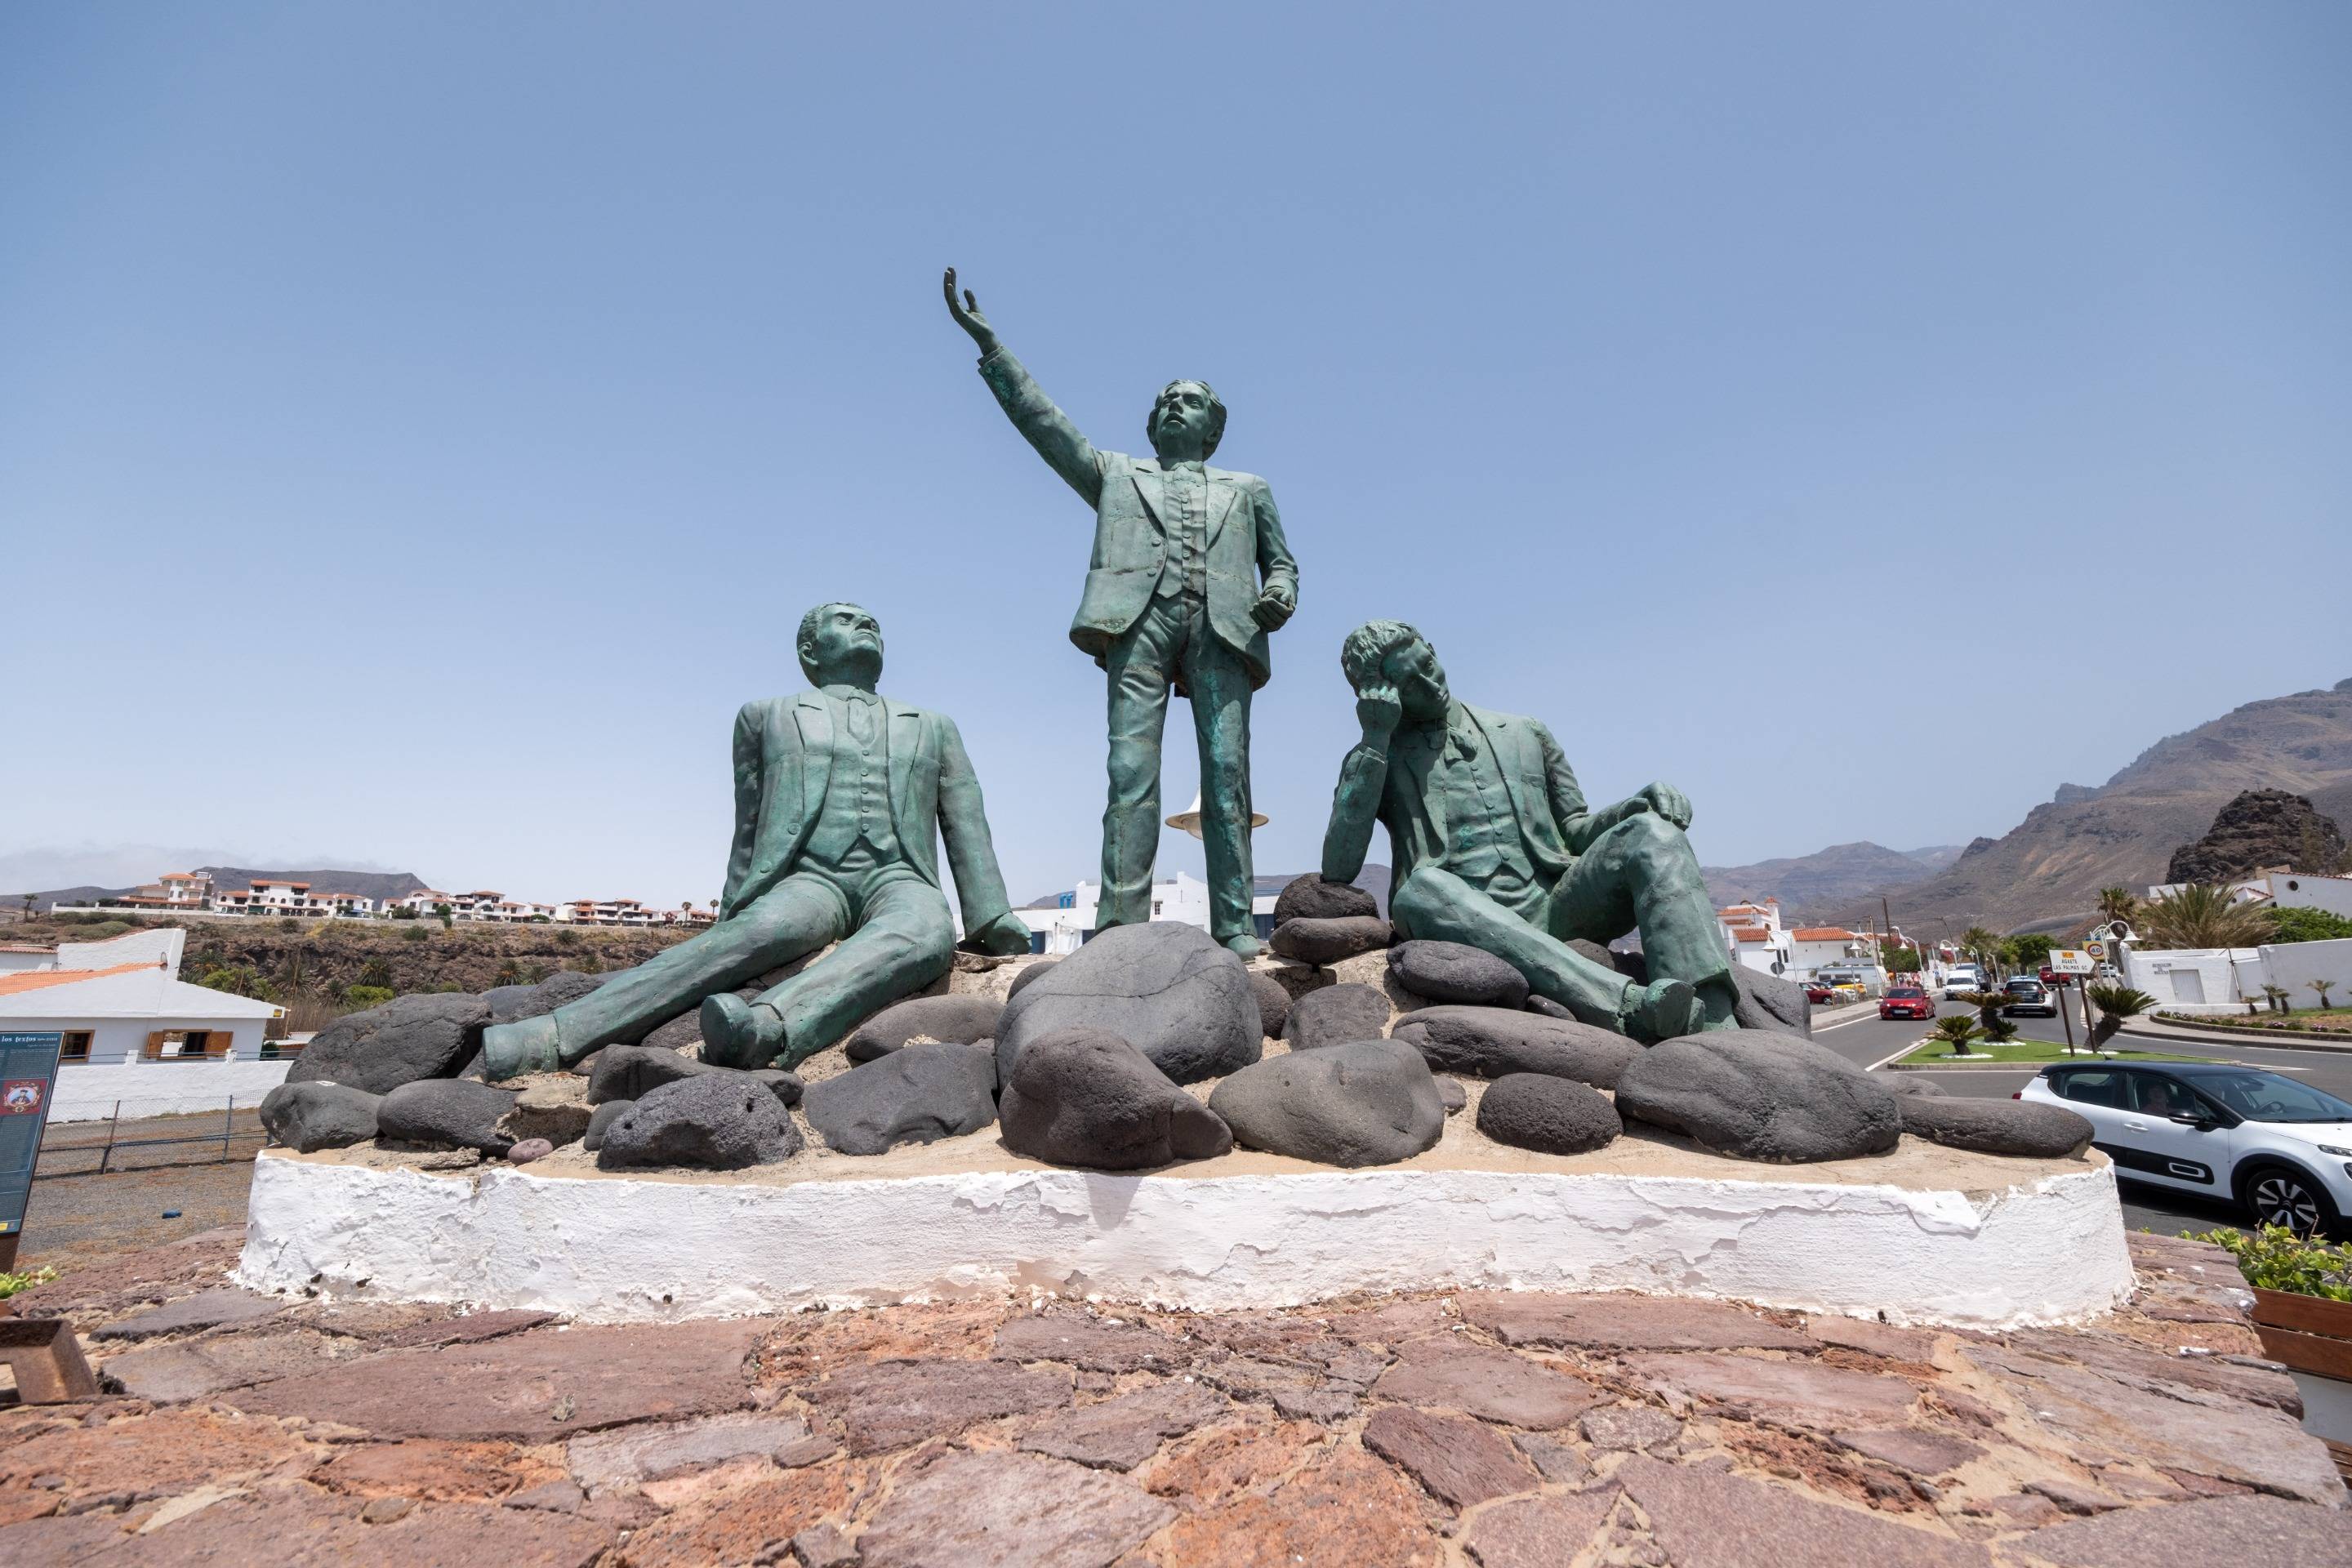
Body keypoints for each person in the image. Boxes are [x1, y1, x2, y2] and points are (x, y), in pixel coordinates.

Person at [481, 603, 1032, 1079]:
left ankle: (766, 1029)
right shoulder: (766, 716)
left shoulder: (933, 725)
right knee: (760, 930)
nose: (865, 624)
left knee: (925, 931)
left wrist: (990, 916)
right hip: (811, 878)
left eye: (872, 622)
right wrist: (736, 908)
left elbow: (965, 817)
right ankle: (551, 1035)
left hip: (899, 876)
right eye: (845, 620)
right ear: (810, 651)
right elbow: (747, 826)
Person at [945, 268, 1298, 956]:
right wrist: (993, 350)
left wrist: (1280, 593)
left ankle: (1233, 924)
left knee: (1227, 777)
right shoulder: (1116, 475)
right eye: (1165, 400)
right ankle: (1119, 922)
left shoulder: (1249, 489)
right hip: (1137, 625)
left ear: (1214, 428)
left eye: (1190, 401)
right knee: (1130, 773)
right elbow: (1047, 428)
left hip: (1226, 631)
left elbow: (1282, 562)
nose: (1174, 406)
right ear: (1151, 424)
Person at [1319, 620, 1740, 1040]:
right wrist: (1375, 739)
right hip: (1461, 920)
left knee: (1652, 832)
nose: (1431, 685)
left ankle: (1714, 1020)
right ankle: (1628, 1006)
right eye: (1410, 684)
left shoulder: (1524, 732)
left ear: (1432, 649)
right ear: (1381, 695)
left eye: (1428, 666)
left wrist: (1632, 809)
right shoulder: (1379, 758)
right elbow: (1339, 866)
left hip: (1556, 904)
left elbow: (1574, 830)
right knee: (1419, 889)